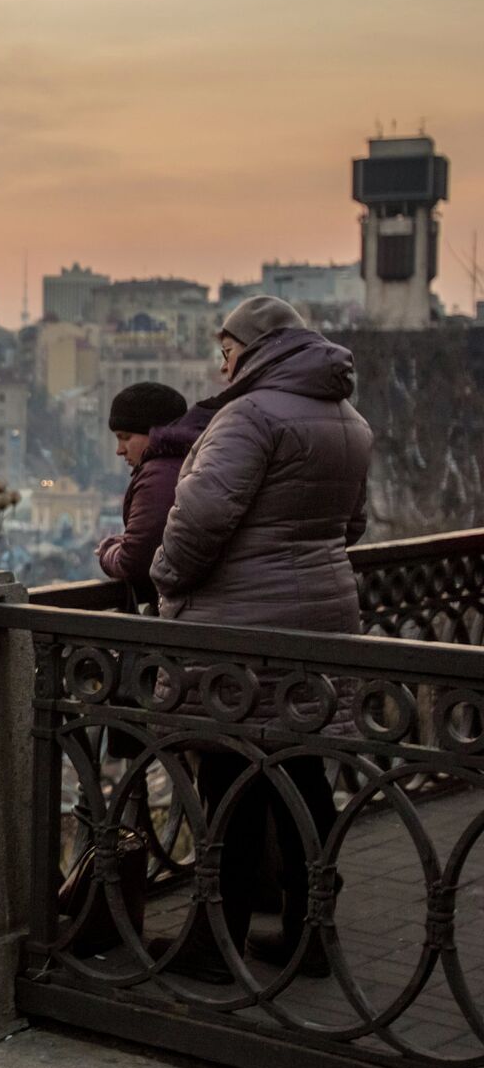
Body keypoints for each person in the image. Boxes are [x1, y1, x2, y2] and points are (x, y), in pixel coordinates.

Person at [151, 295, 372, 977]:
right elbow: (353, 525)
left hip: (241, 633)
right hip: (321, 619)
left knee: (230, 780)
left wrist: (166, 575)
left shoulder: (249, 416)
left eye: (227, 353)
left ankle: (217, 941)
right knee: (301, 776)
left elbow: (201, 517)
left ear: (258, 349)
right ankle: (310, 935)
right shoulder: (348, 420)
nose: (223, 368)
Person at [94, 382, 194, 609]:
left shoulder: (159, 477)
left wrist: (107, 550)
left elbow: (134, 562)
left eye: (125, 437)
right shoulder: (186, 462)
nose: (119, 449)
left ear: (154, 433)